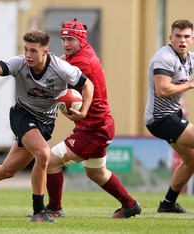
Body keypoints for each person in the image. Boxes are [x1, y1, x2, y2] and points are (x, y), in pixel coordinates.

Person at [0, 30, 94, 222]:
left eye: (33, 51)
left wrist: (84, 111)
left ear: (45, 52)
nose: (28, 55)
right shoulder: (20, 63)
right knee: (44, 154)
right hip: (22, 115)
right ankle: (39, 211)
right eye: (26, 49)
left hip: (45, 124)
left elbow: (88, 85)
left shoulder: (61, 68)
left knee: (7, 170)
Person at [43, 18, 141, 219]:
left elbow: (60, 73)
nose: (65, 44)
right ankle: (130, 205)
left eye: (70, 39)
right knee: (96, 173)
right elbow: (60, 62)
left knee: (51, 161)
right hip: (99, 125)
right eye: (63, 39)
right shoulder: (83, 53)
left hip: (94, 129)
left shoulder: (82, 61)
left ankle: (54, 209)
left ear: (80, 39)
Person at [145, 19, 194, 214]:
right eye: (178, 36)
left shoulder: (190, 58)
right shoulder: (164, 57)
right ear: (170, 38)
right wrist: (191, 84)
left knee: (191, 161)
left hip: (173, 115)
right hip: (160, 118)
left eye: (186, 37)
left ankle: (167, 204)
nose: (182, 40)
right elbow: (163, 90)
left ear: (192, 39)